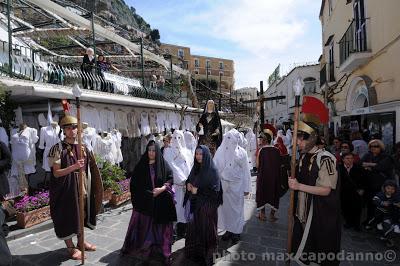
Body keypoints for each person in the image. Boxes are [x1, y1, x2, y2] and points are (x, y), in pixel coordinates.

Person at [288, 108, 341, 266]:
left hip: (320, 215)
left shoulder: (326, 159)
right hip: (303, 213)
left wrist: (298, 186)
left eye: (300, 139)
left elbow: (326, 190)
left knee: (319, 253)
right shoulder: (304, 156)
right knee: (304, 251)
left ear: (311, 138)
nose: (297, 143)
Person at [48, 115, 103, 261]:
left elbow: (89, 168)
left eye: (74, 127)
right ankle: (70, 247)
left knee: (81, 214)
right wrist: (74, 167)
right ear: (64, 131)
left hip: (82, 186)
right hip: (66, 189)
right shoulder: (57, 149)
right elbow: (56, 173)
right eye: (68, 128)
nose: (72, 131)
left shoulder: (83, 147)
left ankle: (81, 241)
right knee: (68, 216)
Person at [121, 141, 176, 265]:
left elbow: (170, 178)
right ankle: (145, 249)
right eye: (149, 150)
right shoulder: (141, 165)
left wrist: (162, 189)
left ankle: (159, 250)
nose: (151, 153)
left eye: (154, 150)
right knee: (145, 229)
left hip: (159, 202)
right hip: (144, 203)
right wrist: (147, 194)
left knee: (160, 229)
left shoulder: (162, 164)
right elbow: (134, 184)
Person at [183, 145, 223, 266]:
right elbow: (190, 179)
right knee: (194, 229)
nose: (198, 156)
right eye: (197, 154)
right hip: (196, 204)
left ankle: (208, 254)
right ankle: (196, 253)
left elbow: (215, 192)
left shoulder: (212, 170)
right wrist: (188, 184)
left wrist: (198, 191)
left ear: (206, 155)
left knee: (206, 229)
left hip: (207, 206)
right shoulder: (195, 167)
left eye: (201, 154)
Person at [214, 129, 251, 244]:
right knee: (225, 210)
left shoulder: (242, 153)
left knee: (237, 210)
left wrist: (247, 188)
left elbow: (246, 171)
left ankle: (236, 232)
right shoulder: (220, 151)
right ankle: (228, 230)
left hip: (237, 187)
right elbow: (215, 167)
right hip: (224, 186)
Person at [163, 130, 192, 239]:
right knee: (175, 208)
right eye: (175, 138)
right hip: (176, 185)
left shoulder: (187, 151)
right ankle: (172, 231)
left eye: (179, 138)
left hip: (186, 186)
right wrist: (182, 178)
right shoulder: (168, 151)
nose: (177, 140)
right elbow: (171, 166)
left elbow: (190, 166)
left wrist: (189, 179)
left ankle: (183, 229)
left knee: (184, 208)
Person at [361, 139, 394, 224]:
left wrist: (368, 165)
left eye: (376, 146)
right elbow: (360, 163)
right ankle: (370, 220)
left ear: (381, 147)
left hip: (381, 185)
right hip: (369, 184)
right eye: (371, 146)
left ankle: (380, 222)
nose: (373, 148)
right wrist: (373, 165)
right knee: (370, 204)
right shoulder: (368, 155)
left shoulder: (386, 156)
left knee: (380, 204)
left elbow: (381, 167)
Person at [256, 124, 282, 222]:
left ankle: (262, 215)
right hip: (274, 178)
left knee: (261, 194)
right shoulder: (276, 150)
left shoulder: (261, 150)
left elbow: (258, 165)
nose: (259, 140)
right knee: (274, 194)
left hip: (263, 177)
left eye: (260, 139)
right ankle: (272, 215)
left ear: (264, 140)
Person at [339, 152, 365, 231]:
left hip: (356, 192)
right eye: (347, 158)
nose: (350, 160)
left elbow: (364, 179)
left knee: (357, 208)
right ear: (343, 160)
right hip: (343, 192)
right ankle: (348, 222)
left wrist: (362, 189)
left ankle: (357, 224)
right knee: (345, 208)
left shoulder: (359, 168)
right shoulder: (339, 168)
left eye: (351, 158)